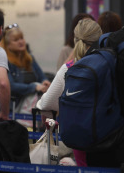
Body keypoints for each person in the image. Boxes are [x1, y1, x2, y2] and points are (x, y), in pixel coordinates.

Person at [36, 18, 102, 167]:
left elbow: (46, 104)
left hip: (79, 136)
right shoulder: (111, 63)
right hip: (110, 134)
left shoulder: (69, 68)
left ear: (74, 39)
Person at [0, 24, 50, 126]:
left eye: (21, 38)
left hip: (35, 106)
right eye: (16, 40)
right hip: (15, 106)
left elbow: (41, 76)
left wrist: (45, 82)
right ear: (8, 45)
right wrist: (34, 87)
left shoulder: (30, 58)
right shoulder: (5, 61)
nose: (21, 42)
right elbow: (11, 86)